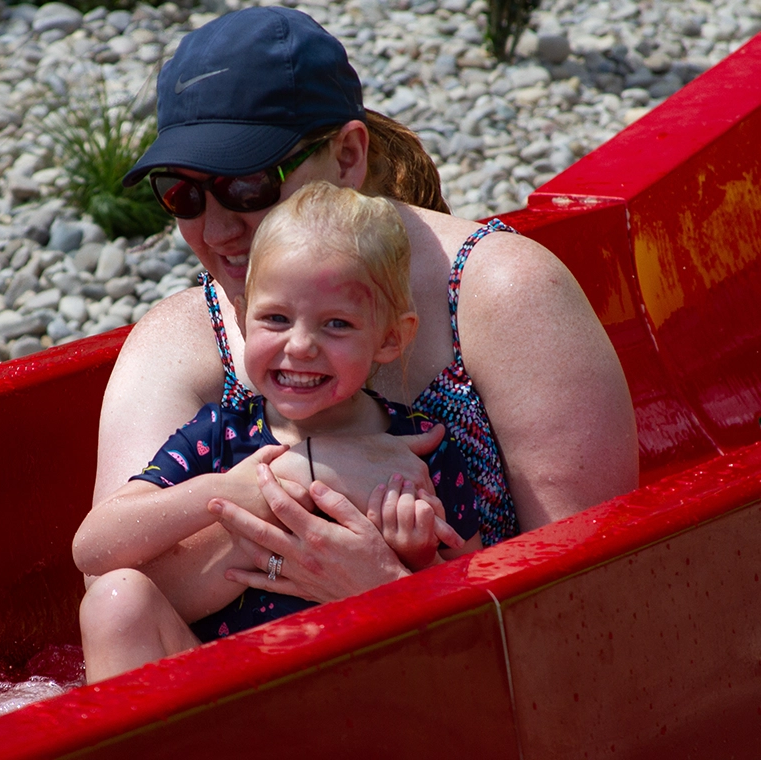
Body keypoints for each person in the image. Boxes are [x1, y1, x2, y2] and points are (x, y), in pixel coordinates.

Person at [89, 7, 637, 648]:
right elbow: (117, 591)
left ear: (348, 154)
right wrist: (298, 478)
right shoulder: (179, 341)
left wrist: (386, 586)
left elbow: (596, 598)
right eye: (180, 192)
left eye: (246, 183)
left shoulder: (500, 294)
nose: (213, 231)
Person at [76, 183, 484, 681]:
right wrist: (228, 491)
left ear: (391, 338)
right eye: (275, 318)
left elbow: (480, 625)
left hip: (364, 705)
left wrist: (418, 563)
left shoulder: (415, 455)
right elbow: (92, 549)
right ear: (243, 318)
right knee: (117, 601)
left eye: (336, 324)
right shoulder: (219, 438)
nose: (301, 345)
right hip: (221, 715)